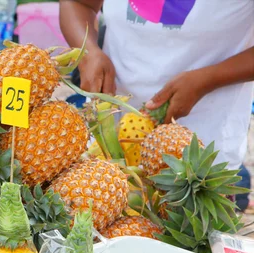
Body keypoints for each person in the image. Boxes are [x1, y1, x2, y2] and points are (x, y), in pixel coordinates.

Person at [60, 0, 254, 170]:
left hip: (199, 158)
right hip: (106, 142)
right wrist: (88, 53)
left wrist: (208, 79)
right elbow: (78, 3)